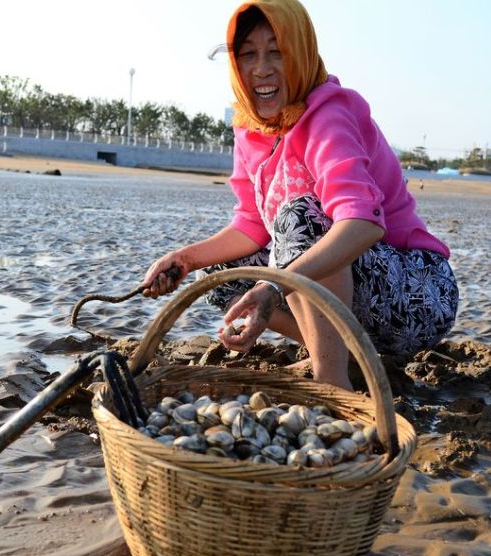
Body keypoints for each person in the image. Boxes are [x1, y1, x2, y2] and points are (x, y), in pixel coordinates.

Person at [141, 0, 458, 390]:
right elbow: (252, 226)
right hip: (354, 289)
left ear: (302, 52)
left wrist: (276, 285)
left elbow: (363, 223)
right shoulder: (250, 127)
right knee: (223, 273)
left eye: (277, 51)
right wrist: (184, 259)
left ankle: (332, 379)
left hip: (416, 293)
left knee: (299, 219)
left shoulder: (329, 113)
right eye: (248, 55)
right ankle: (341, 354)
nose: (261, 69)